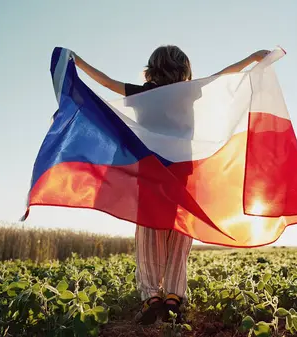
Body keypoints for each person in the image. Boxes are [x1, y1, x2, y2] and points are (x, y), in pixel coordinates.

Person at [70, 45, 270, 325]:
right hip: (183, 174)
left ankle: (152, 297)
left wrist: (78, 62)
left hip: (151, 173)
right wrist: (252, 59)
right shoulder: (189, 94)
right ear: (184, 70)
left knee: (150, 233)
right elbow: (223, 76)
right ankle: (174, 298)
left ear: (151, 69)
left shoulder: (142, 93)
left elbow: (105, 82)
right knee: (180, 232)